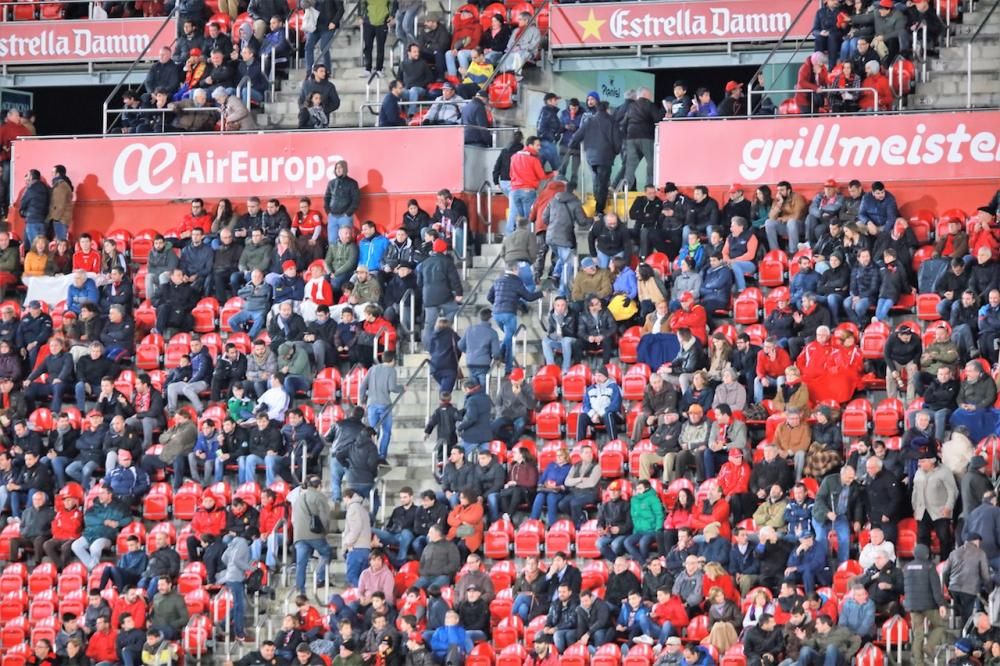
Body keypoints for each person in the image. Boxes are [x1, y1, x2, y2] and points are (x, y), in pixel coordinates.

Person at [570, 100, 621, 221]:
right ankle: (599, 209)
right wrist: (616, 151)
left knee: (597, 179)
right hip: (606, 156)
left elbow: (577, 135)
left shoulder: (589, 120)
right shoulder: (611, 121)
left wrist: (572, 144)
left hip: (591, 156)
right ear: (607, 108)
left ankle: (598, 202)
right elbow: (617, 140)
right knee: (603, 182)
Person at [292, 475, 333, 596]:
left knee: (301, 563)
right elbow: (325, 518)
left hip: (299, 535)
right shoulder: (320, 497)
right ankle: (320, 576)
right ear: (319, 486)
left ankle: (300, 589)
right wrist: (325, 532)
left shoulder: (299, 498)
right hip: (315, 534)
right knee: (327, 553)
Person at [912, 451, 958, 559]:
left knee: (944, 537)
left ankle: (945, 561)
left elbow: (953, 491)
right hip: (922, 511)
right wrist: (915, 507)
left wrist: (948, 507)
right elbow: (915, 492)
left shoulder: (944, 472)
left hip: (940, 510)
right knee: (922, 538)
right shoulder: (918, 472)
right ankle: (924, 562)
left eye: (923, 461)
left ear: (932, 461)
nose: (920, 464)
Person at [359, 350, 402, 461]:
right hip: (385, 405)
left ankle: (370, 456)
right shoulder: (391, 371)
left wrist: (362, 401)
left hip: (371, 405)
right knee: (386, 432)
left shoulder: (372, 369)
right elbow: (392, 387)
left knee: (372, 432)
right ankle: (382, 456)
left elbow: (362, 386)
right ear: (393, 360)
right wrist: (402, 388)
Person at [944, 531, 991, 628]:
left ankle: (956, 629)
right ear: (976, 541)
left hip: (954, 588)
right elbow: (985, 576)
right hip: (969, 590)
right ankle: (963, 638)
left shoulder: (954, 552)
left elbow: (945, 572)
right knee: (967, 617)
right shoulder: (980, 553)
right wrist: (990, 591)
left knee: (959, 611)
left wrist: (948, 585)